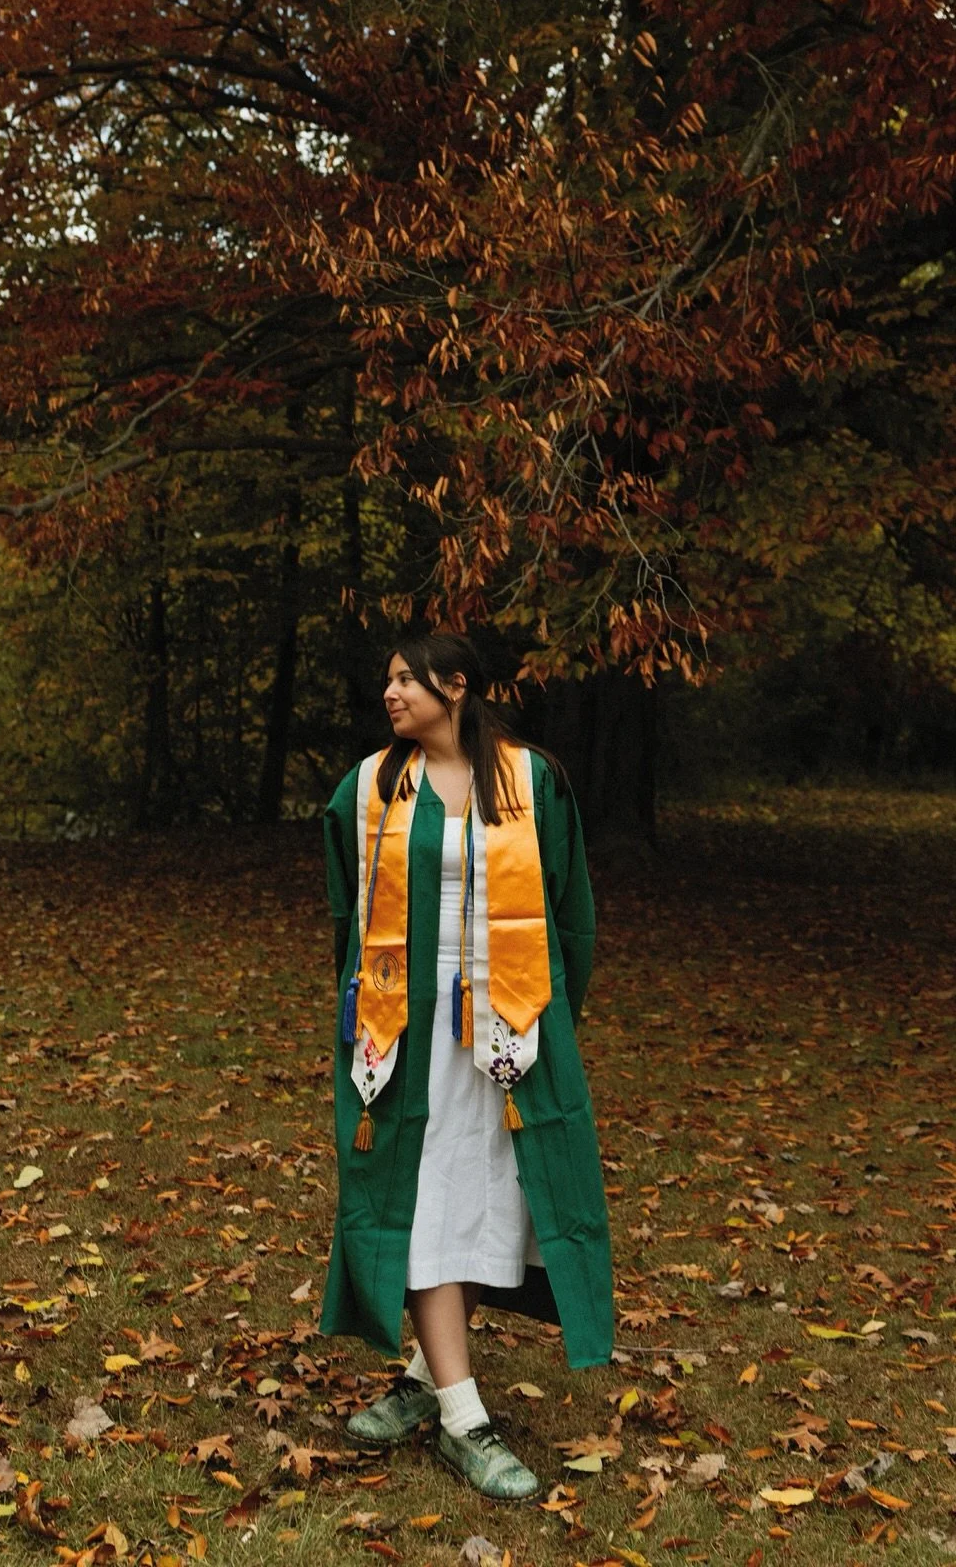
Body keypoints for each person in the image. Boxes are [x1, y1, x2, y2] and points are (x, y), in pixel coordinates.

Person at [319, 632, 612, 1501]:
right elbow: (344, 910)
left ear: (455, 686)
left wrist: (548, 1017)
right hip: (405, 1027)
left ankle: (422, 1378)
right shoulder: (370, 787)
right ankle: (462, 1417)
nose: (390, 693)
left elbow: (571, 906)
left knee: (490, 1192)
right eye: (386, 680)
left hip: (507, 1022)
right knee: (417, 1195)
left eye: (406, 679)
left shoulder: (530, 780)